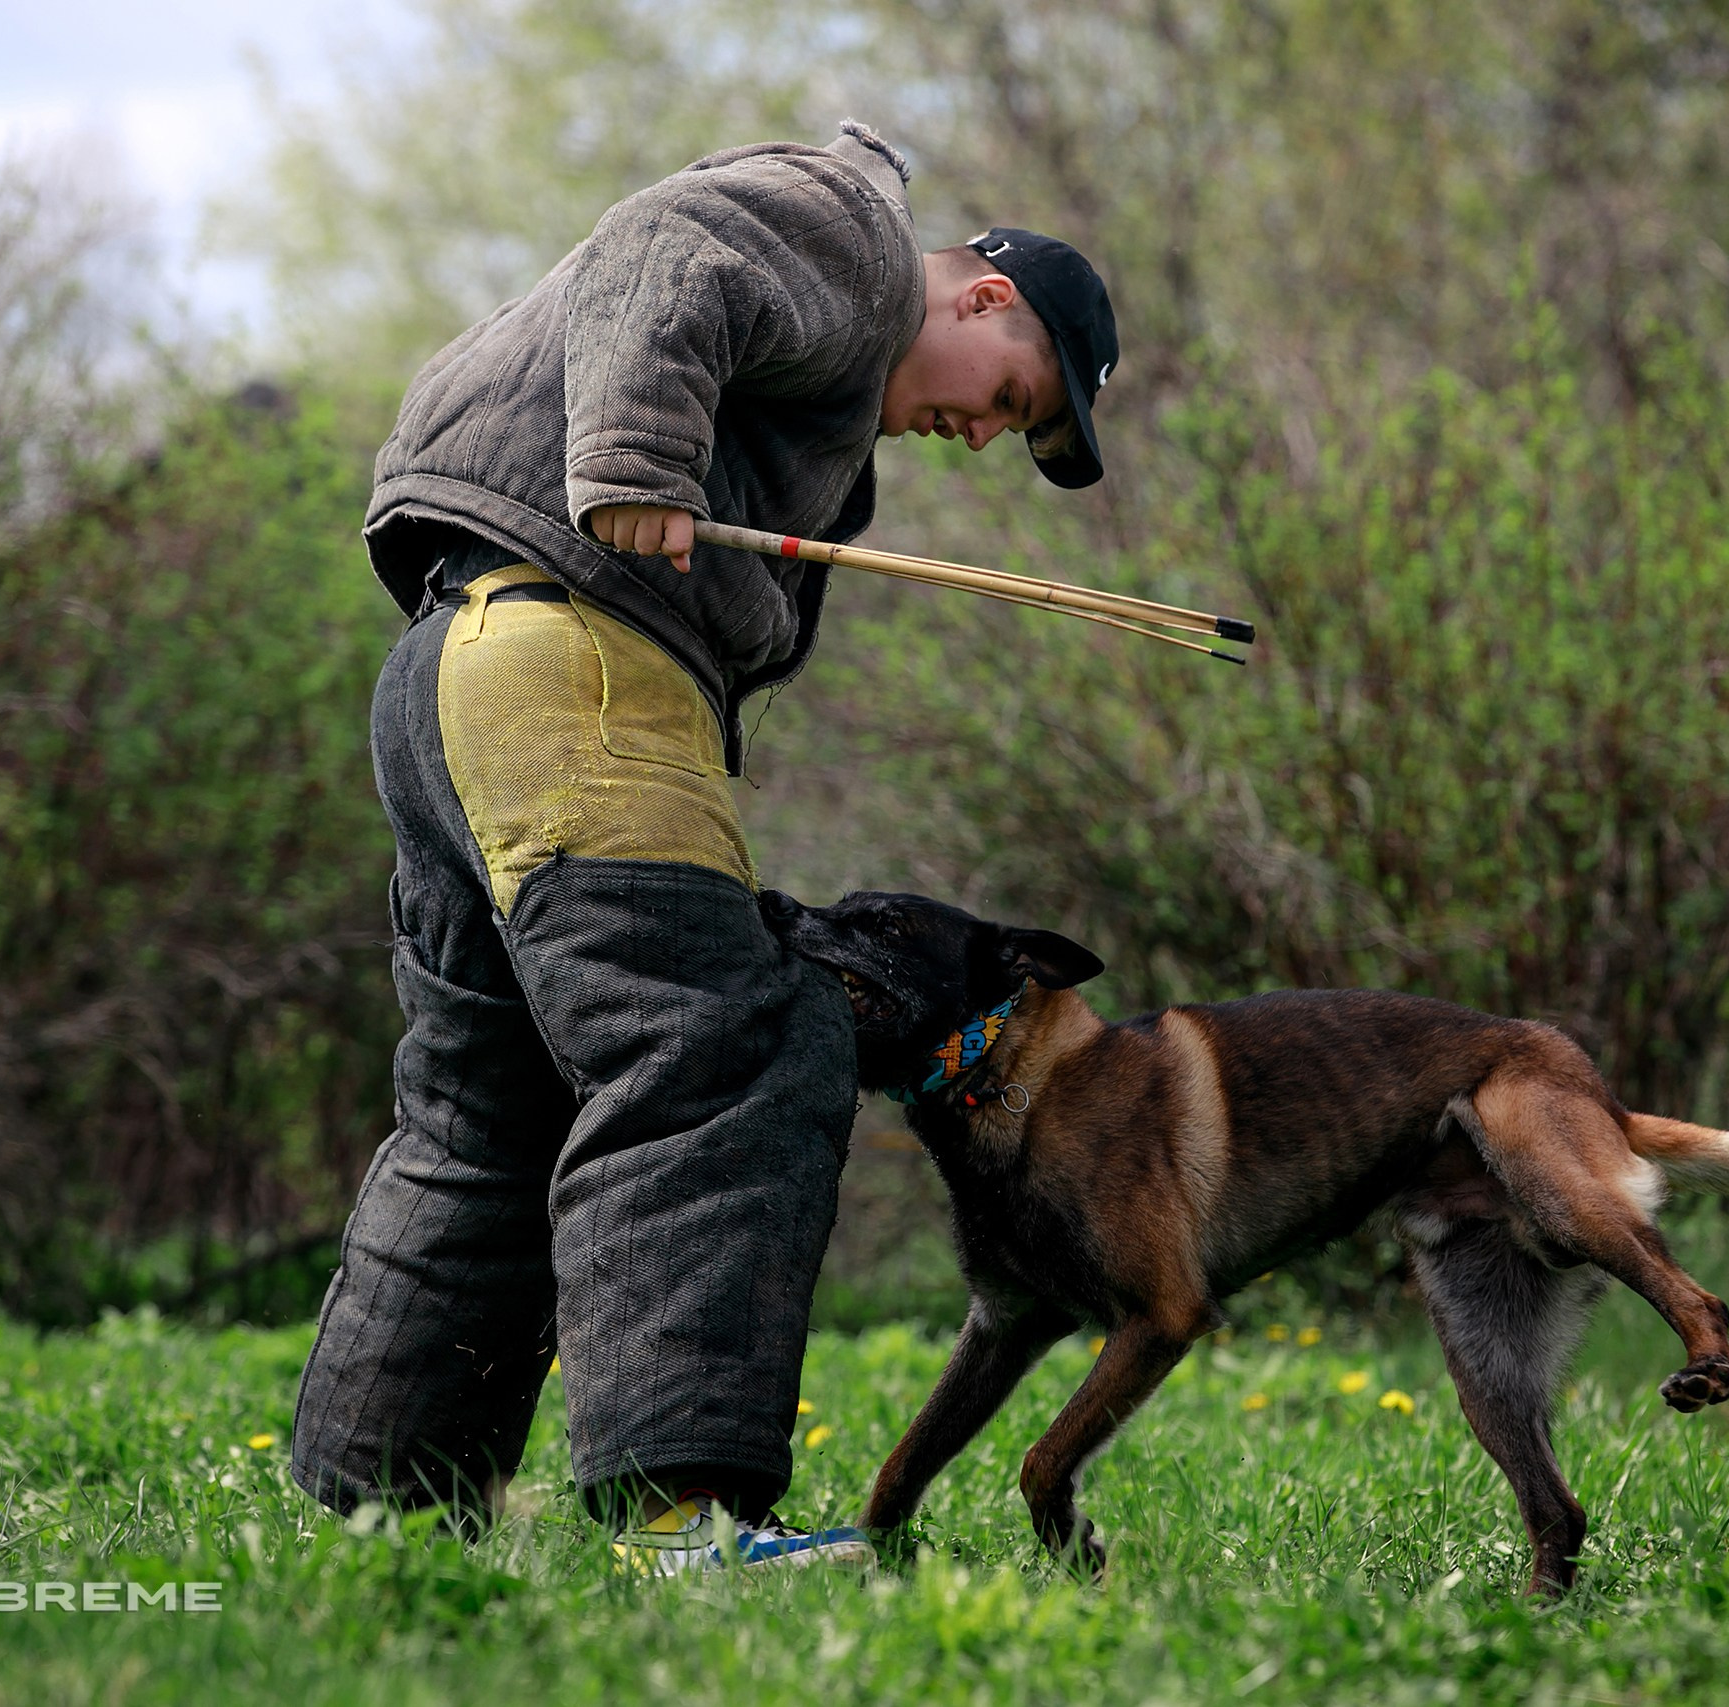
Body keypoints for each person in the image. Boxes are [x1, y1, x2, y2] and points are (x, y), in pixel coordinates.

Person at [289, 119, 1120, 1575]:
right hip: (569, 665)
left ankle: (383, 1514)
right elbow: (664, 251)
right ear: (987, 299)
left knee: (487, 1114)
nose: (982, 437)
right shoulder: (851, 233)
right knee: (729, 1047)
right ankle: (679, 1533)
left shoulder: (826, 402)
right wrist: (634, 454)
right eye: (1013, 401)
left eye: (1012, 436)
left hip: (453, 670)